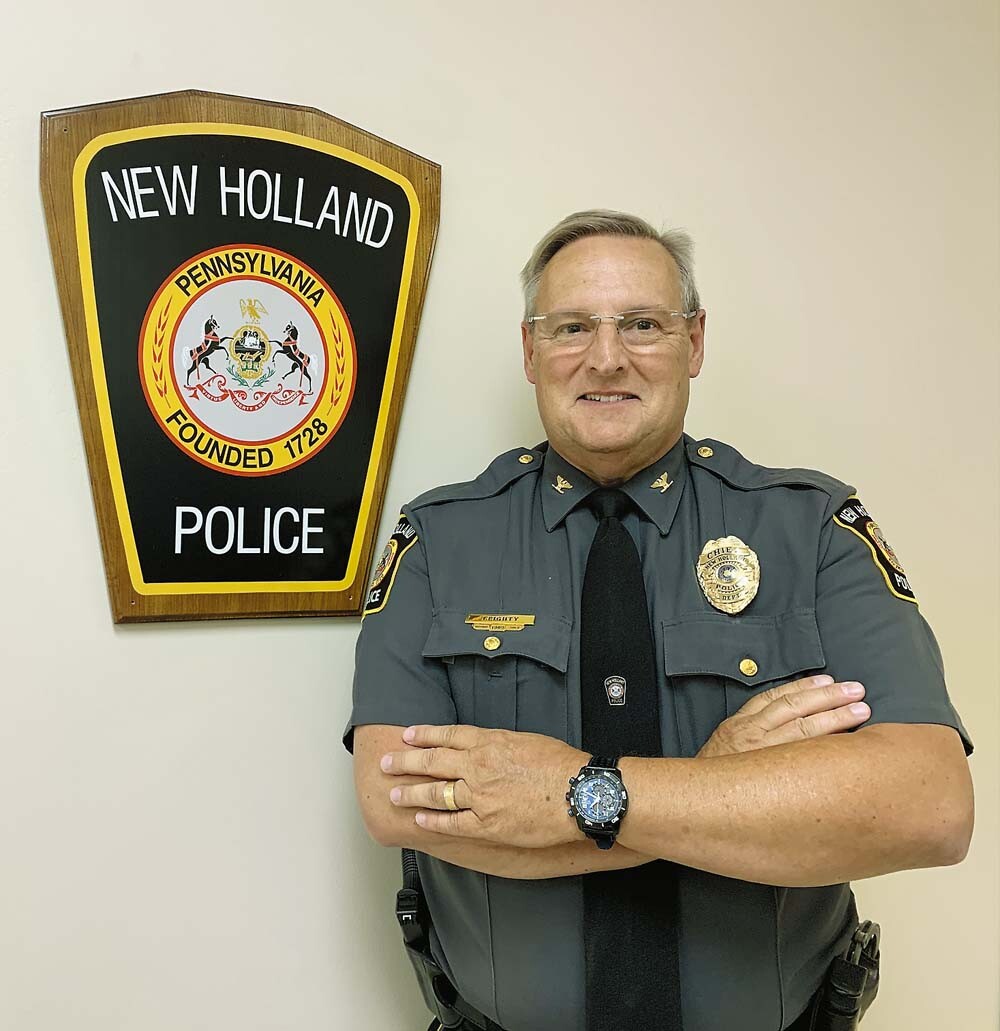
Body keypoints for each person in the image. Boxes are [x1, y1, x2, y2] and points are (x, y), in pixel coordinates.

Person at [343, 210, 975, 1031]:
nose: (606, 357)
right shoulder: (438, 541)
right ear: (531, 351)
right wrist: (724, 783)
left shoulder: (813, 529)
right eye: (572, 326)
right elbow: (396, 800)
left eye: (642, 324)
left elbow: (929, 807)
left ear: (694, 341)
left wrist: (576, 795)